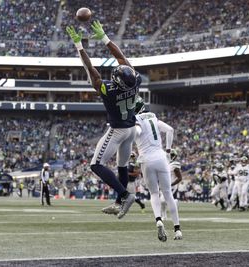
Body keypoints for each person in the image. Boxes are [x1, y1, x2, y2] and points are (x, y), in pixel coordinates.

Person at [66, 21, 140, 219]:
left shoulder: (110, 91)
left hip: (117, 130)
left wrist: (79, 46)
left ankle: (124, 195)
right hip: (132, 128)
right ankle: (118, 203)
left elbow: (91, 71)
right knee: (122, 166)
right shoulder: (135, 81)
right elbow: (121, 57)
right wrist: (105, 38)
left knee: (95, 165)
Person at [133, 97, 182, 241]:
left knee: (154, 193)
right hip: (161, 157)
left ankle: (158, 220)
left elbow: (136, 131)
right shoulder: (153, 117)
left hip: (146, 159)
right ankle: (177, 229)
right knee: (168, 194)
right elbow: (170, 130)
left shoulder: (136, 119)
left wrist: (128, 135)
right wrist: (167, 150)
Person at [161, 149, 182, 219]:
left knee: (168, 201)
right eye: (170, 154)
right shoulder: (165, 164)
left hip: (171, 186)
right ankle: (164, 216)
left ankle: (174, 215)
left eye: (172, 155)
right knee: (162, 201)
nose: (170, 156)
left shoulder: (175, 164)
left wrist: (171, 184)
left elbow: (180, 178)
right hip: (164, 185)